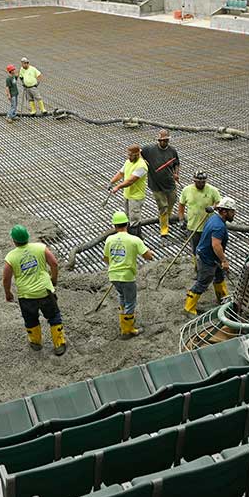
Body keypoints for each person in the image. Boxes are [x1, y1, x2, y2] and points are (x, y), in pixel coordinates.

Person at [2, 225, 67, 356]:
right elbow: (54, 264)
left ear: (14, 240)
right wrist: (53, 280)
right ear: (27, 236)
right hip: (45, 291)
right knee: (54, 316)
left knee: (31, 320)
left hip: (26, 296)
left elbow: (6, 278)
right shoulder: (40, 248)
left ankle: (36, 342)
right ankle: (59, 343)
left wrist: (8, 293)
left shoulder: (11, 257)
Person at [104, 211, 154, 339]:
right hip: (127, 277)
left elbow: (106, 258)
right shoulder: (134, 240)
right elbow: (147, 257)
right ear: (127, 224)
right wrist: (150, 253)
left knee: (122, 296)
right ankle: (127, 330)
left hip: (113, 276)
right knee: (131, 301)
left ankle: (124, 320)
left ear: (114, 226)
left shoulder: (109, 239)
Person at [183, 197, 237, 317]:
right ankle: (189, 308)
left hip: (212, 257)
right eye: (232, 211)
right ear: (224, 212)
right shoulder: (219, 226)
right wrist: (224, 260)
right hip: (207, 259)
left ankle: (223, 300)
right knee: (202, 282)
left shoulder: (214, 218)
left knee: (219, 277)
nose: (234, 214)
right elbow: (216, 245)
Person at [140, 129, 180, 237]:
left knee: (172, 201)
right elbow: (138, 152)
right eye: (162, 140)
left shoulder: (172, 151)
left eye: (166, 140)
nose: (164, 142)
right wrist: (142, 161)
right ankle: (164, 228)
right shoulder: (150, 149)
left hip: (169, 183)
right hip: (156, 184)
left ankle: (166, 218)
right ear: (158, 140)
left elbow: (176, 163)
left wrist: (176, 174)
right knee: (163, 207)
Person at [109, 145, 149, 238]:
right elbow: (121, 173)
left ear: (137, 155)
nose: (129, 157)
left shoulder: (141, 166)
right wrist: (112, 181)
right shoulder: (128, 162)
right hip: (127, 195)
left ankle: (135, 238)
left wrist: (118, 187)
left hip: (136, 197)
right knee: (127, 217)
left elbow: (131, 181)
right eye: (128, 155)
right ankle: (131, 237)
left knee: (134, 219)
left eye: (131, 155)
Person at [178, 171, 221, 256]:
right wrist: (181, 219)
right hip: (193, 226)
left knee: (210, 249)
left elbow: (219, 202)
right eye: (199, 182)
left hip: (208, 227)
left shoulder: (212, 190)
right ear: (194, 181)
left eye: (203, 182)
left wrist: (213, 207)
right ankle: (196, 265)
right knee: (195, 250)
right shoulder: (186, 190)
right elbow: (181, 205)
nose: (201, 184)